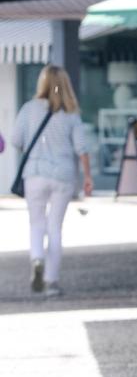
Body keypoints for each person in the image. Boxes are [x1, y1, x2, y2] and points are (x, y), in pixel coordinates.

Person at [11, 64, 93, 297]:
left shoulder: (28, 109)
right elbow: (82, 149)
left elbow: (16, 140)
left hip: (34, 173)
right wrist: (88, 177)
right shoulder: (71, 113)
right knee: (55, 227)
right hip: (63, 175)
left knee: (36, 223)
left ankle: (37, 258)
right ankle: (52, 282)